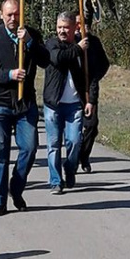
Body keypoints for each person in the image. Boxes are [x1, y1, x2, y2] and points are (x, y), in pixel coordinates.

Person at [0, 0, 49, 216]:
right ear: (1, 14)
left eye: (16, 14)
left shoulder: (31, 34)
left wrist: (28, 43)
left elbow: (46, 60)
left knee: (29, 147)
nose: (13, 18)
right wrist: (9, 75)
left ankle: (16, 188)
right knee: (0, 153)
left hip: (24, 104)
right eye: (9, 14)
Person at [43, 12, 88, 193]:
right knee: (53, 144)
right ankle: (55, 180)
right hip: (54, 104)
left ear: (74, 28)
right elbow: (58, 58)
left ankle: (70, 168)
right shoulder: (51, 44)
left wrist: (90, 98)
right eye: (59, 27)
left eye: (66, 27)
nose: (62, 31)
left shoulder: (83, 44)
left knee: (74, 141)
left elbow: (98, 66)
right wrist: (78, 48)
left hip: (75, 104)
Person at [77, 16, 110, 174]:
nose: (80, 27)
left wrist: (94, 76)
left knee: (91, 125)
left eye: (82, 23)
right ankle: (72, 158)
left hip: (90, 88)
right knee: (73, 129)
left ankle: (83, 156)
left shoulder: (94, 42)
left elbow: (104, 63)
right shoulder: (69, 40)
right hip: (71, 91)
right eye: (76, 23)